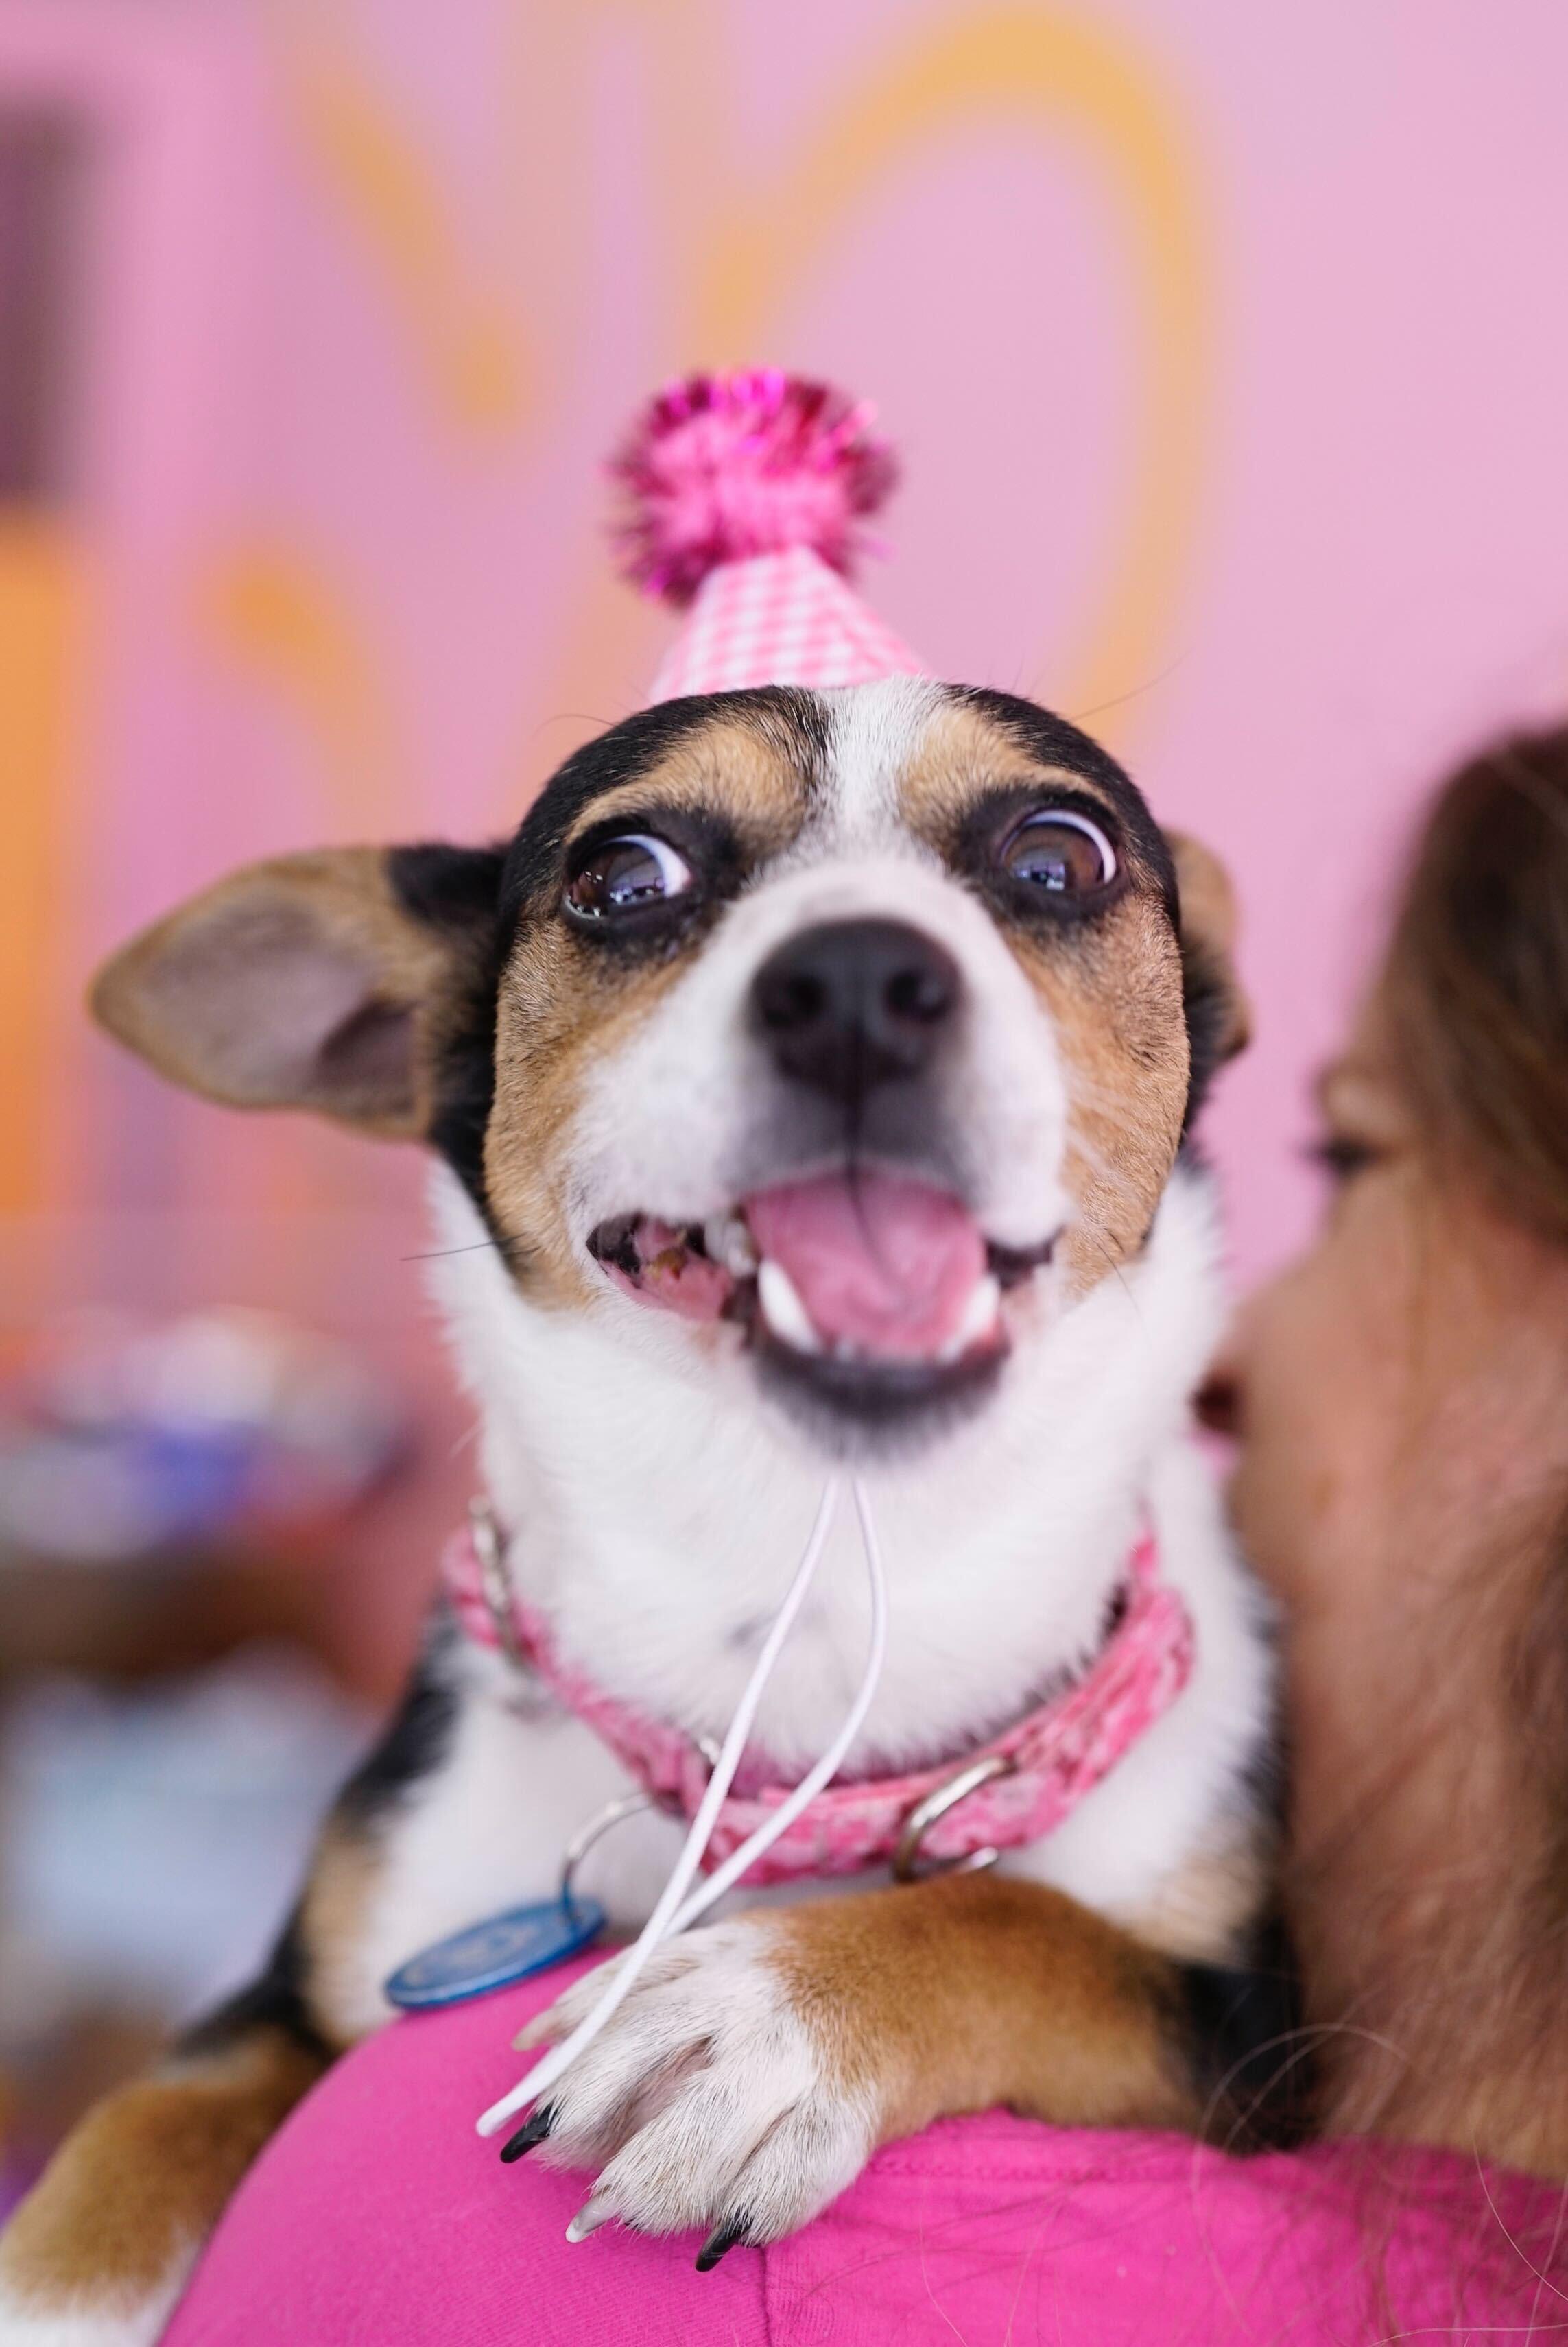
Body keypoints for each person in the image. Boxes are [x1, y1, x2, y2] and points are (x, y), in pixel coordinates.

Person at [161, 726, 1568, 2344]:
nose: (859, 964)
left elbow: (1197, 2024)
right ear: (427, 1020)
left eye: (1050, 870)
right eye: (632, 882)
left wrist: (921, 1984)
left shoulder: (445, 2209)